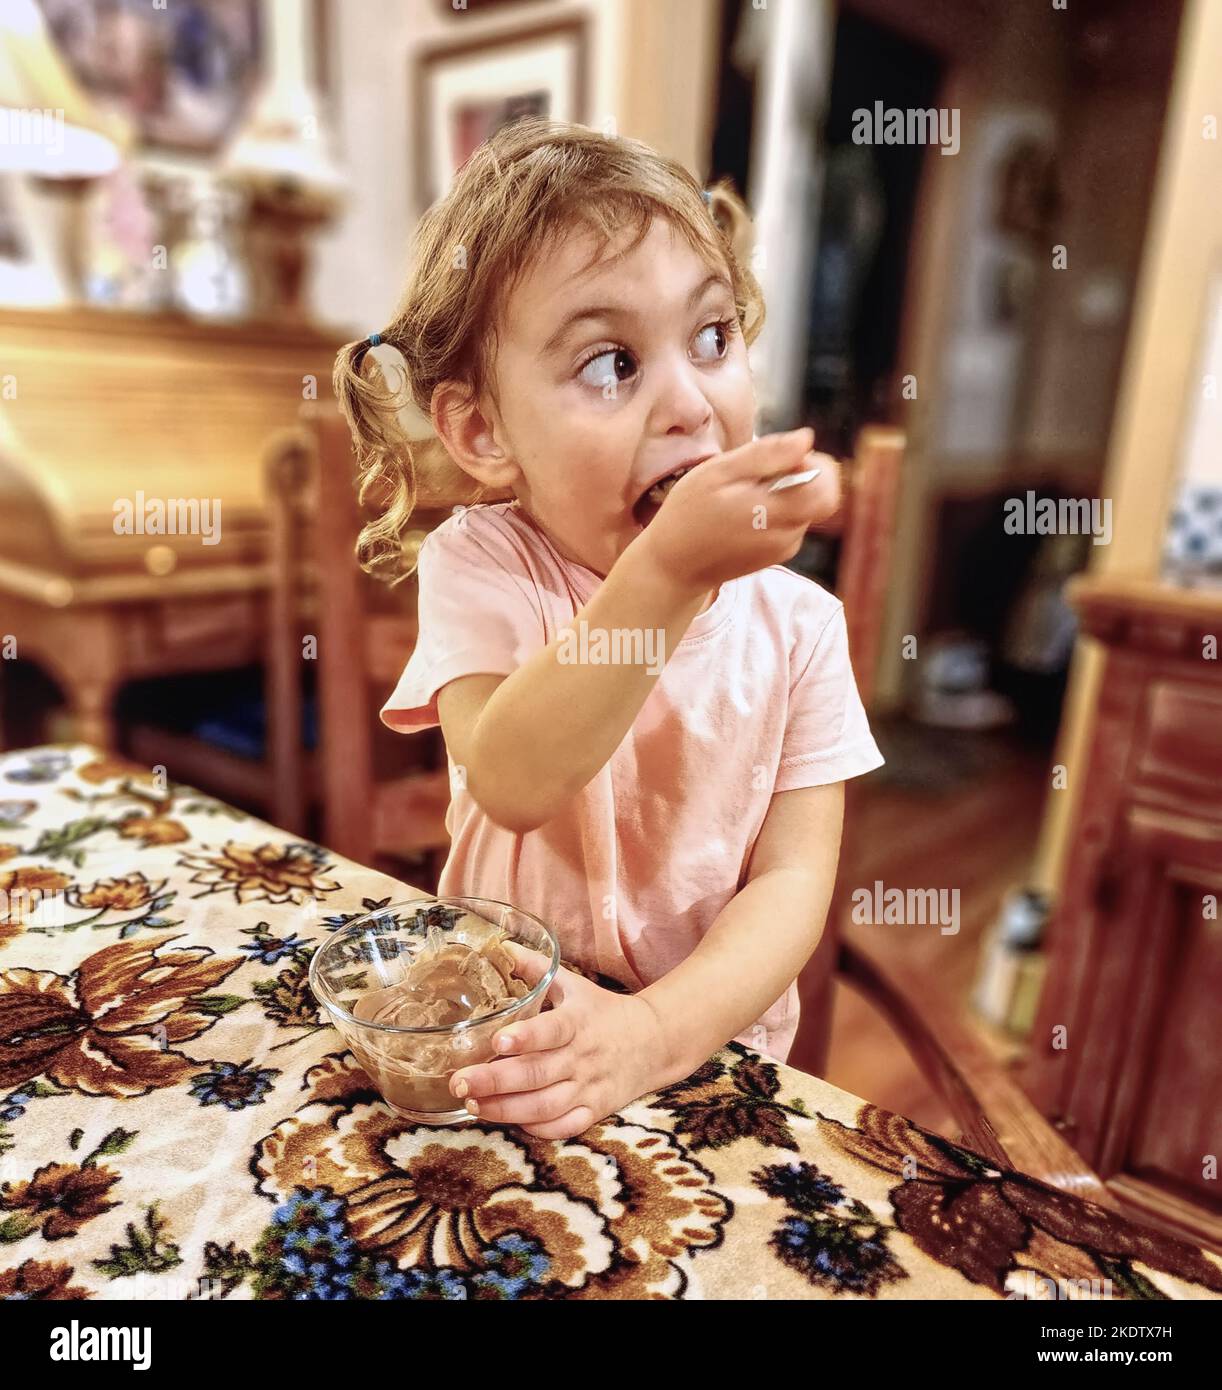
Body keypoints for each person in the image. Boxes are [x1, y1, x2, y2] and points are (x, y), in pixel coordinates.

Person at [332, 118, 884, 1140]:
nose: (689, 402)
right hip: (500, 1025)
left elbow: (794, 884)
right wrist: (664, 572)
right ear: (482, 431)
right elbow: (511, 776)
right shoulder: (482, 564)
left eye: (713, 337)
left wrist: (653, 1034)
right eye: (609, 363)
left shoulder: (803, 627)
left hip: (700, 1059)